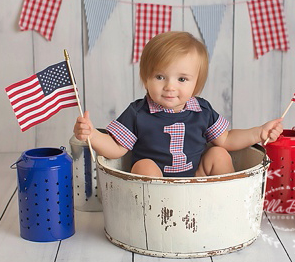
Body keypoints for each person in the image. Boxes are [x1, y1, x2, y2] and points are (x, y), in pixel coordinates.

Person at [74, 31, 283, 178]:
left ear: (196, 83)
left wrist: (258, 133)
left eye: (182, 79)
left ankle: (222, 203)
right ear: (146, 78)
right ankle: (153, 217)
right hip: (155, 184)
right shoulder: (138, 113)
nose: (170, 87)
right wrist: (92, 135)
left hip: (195, 179)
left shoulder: (202, 110)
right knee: (144, 167)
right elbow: (117, 147)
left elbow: (226, 139)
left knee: (218, 153)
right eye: (160, 77)